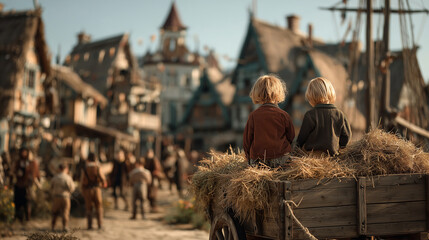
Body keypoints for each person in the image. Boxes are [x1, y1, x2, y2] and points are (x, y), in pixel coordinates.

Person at [243, 74, 295, 168]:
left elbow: (247, 141)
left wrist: (248, 158)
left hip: (258, 161)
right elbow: (291, 137)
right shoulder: (284, 115)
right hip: (281, 159)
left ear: (256, 92)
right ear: (279, 92)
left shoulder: (253, 116)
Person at [296, 77, 352, 155]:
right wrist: (341, 147)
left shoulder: (310, 115)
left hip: (312, 157)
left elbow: (302, 137)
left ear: (311, 96)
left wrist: (296, 149)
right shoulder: (340, 115)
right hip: (332, 157)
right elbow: (347, 136)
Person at [13, 147, 40, 222]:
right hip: (19, 185)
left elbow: (35, 173)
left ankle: (27, 218)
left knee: (27, 203)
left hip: (27, 186)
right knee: (18, 202)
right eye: (22, 152)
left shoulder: (32, 163)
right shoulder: (18, 162)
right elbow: (14, 171)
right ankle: (18, 218)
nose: (23, 154)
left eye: (25, 152)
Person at [81, 153, 106, 230]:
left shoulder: (85, 168)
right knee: (99, 206)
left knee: (89, 207)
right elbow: (103, 178)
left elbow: (82, 180)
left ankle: (89, 225)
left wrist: (82, 190)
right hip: (97, 189)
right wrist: (103, 183)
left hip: (88, 189)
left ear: (88, 159)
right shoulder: (98, 167)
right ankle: (100, 224)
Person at [51, 163, 75, 231]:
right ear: (66, 169)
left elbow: (51, 187)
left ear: (59, 169)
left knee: (55, 212)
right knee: (65, 212)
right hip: (65, 197)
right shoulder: (68, 177)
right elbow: (72, 188)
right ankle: (65, 227)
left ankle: (53, 226)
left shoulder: (55, 177)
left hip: (56, 197)